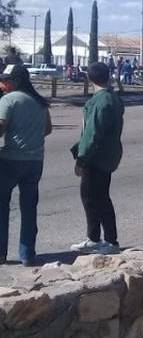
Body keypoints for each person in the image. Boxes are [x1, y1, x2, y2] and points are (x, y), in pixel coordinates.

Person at [70, 62, 125, 254]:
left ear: (89, 78)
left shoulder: (101, 101)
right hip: (108, 155)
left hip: (96, 157)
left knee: (94, 198)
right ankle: (95, 238)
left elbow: (92, 133)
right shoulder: (113, 98)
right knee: (97, 197)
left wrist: (81, 159)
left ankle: (109, 240)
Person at [0, 65, 52, 266]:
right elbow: (47, 129)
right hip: (35, 161)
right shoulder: (40, 101)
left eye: (5, 80)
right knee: (29, 208)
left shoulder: (8, 100)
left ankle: (1, 253)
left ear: (15, 81)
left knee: (2, 206)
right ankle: (27, 254)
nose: (2, 84)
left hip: (10, 160)